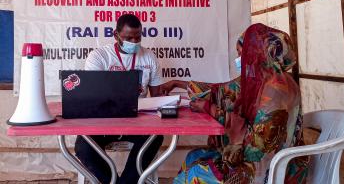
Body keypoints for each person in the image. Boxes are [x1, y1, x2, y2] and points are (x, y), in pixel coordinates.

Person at [163, 24, 308, 184]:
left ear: (259, 53)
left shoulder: (276, 90)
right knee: (194, 156)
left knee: (196, 173)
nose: (239, 60)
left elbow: (257, 148)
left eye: (242, 54)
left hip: (268, 171)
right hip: (261, 159)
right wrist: (178, 83)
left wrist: (210, 109)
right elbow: (221, 91)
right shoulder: (262, 80)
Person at [75, 14, 164, 184]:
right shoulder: (99, 57)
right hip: (104, 123)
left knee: (156, 138)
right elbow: (94, 95)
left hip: (138, 123)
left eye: (138, 37)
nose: (134, 42)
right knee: (83, 147)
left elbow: (157, 98)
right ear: (116, 35)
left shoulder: (150, 58)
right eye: (128, 38)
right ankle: (114, 181)